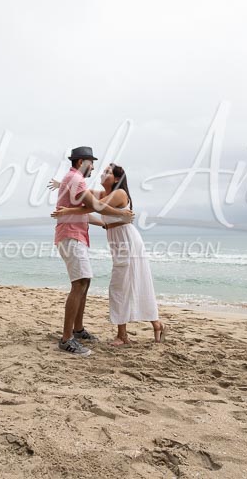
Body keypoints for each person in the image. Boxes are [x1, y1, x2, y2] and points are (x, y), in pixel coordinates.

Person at [52, 163, 166, 346]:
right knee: (131, 284)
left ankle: (123, 335)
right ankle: (156, 324)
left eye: (108, 172)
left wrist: (69, 211)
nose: (103, 173)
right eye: (104, 171)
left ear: (116, 179)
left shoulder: (119, 193)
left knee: (119, 287)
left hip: (127, 243)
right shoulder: (103, 194)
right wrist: (63, 185)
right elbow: (84, 195)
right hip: (119, 243)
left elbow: (95, 207)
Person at [53, 147, 135, 356]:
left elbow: (87, 211)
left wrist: (106, 224)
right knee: (79, 283)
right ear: (82, 162)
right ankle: (66, 339)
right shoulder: (76, 179)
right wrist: (121, 214)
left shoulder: (74, 179)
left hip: (75, 235)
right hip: (71, 235)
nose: (94, 168)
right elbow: (96, 206)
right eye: (92, 163)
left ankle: (78, 330)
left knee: (85, 282)